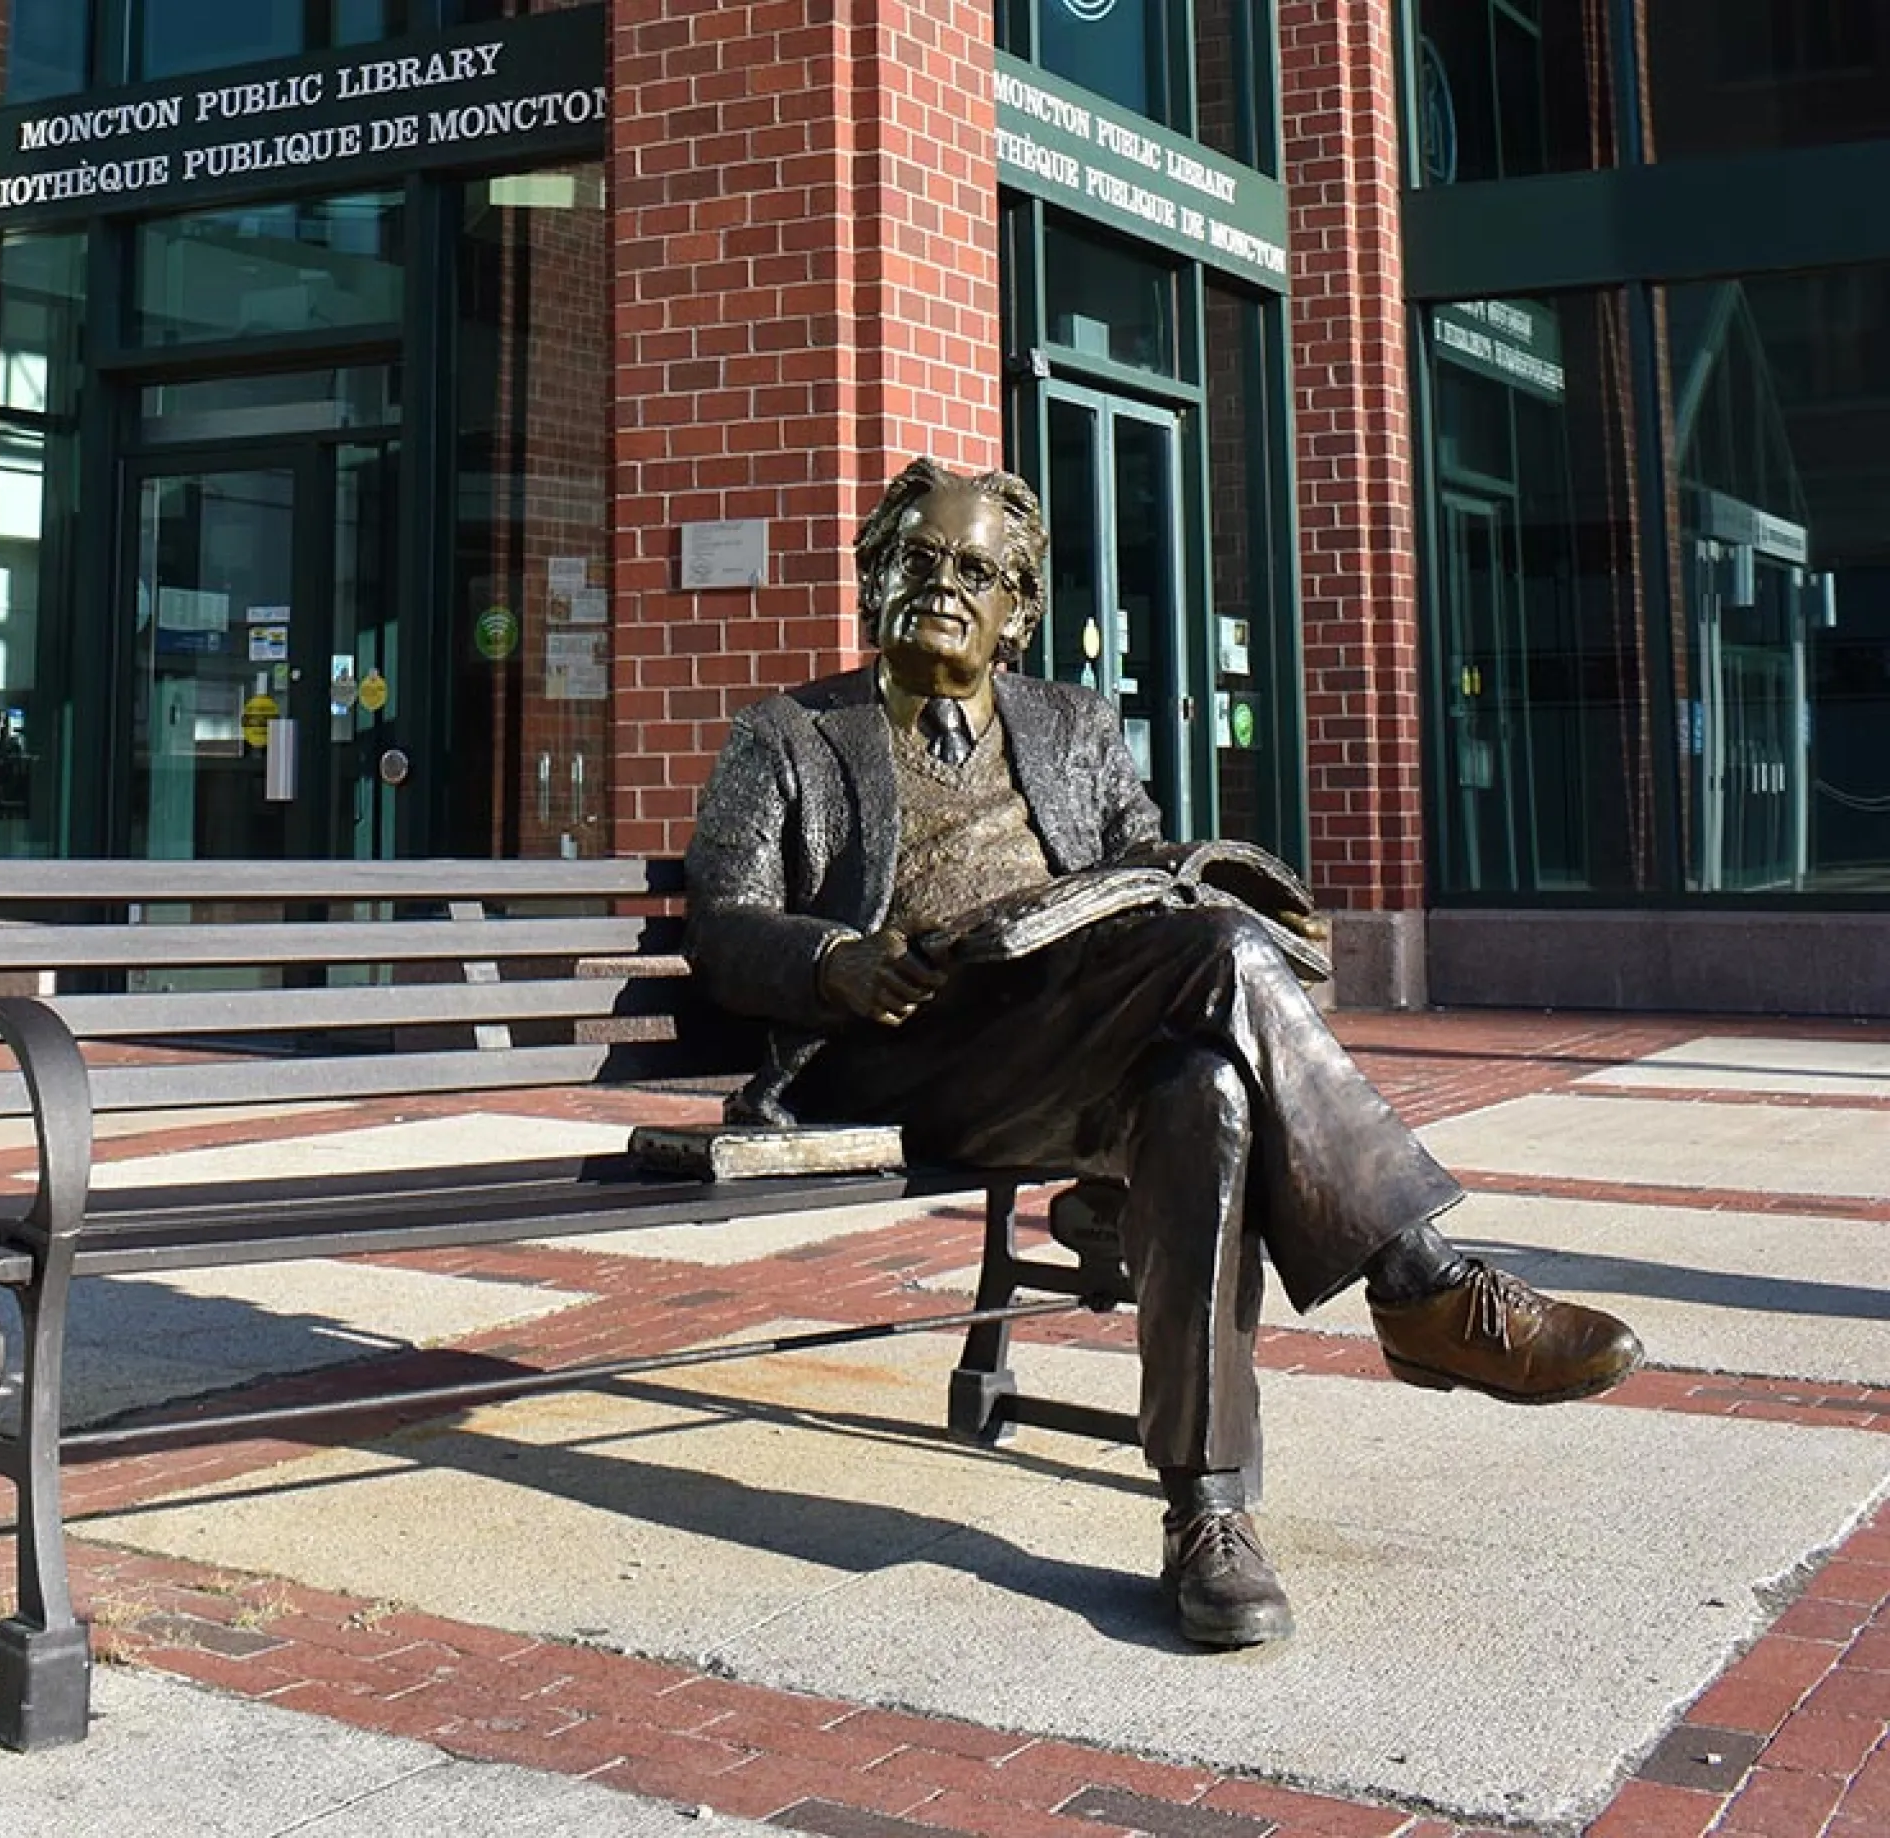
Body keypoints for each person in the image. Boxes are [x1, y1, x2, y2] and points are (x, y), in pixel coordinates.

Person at [683, 457, 1642, 1648]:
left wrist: (1189, 889)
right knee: (1220, 957)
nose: (942, 585)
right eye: (916, 559)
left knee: (1204, 1089)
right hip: (901, 1055)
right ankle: (1417, 1279)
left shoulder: (1072, 726)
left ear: (1017, 609)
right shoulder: (786, 735)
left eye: (975, 569)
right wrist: (837, 959)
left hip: (1072, 1049)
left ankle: (1208, 1516)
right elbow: (722, 925)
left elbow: (1147, 879)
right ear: (874, 578)